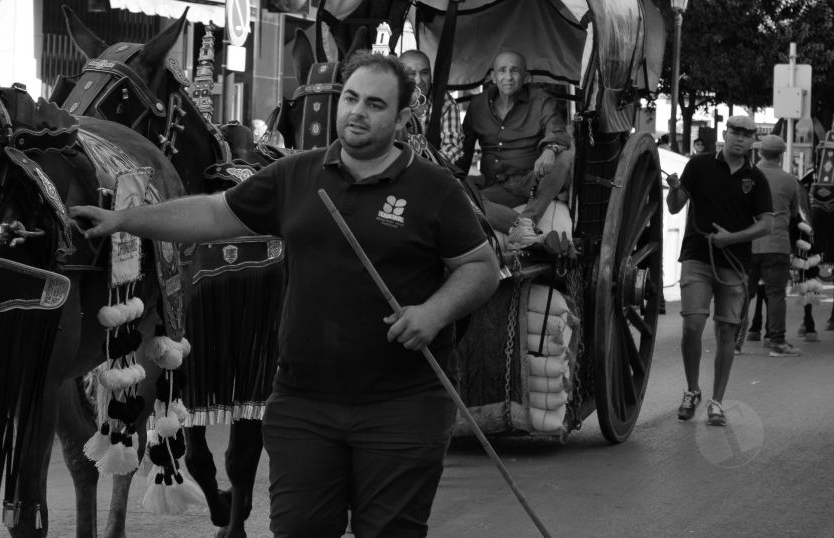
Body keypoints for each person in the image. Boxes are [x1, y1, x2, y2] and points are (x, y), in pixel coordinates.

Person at [71, 52, 499, 538]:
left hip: (403, 406)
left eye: (375, 105)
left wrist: (434, 312)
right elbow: (214, 214)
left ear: (402, 118)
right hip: (304, 402)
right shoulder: (298, 175)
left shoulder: (434, 188)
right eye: (351, 99)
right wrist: (124, 219)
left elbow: (481, 267)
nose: (357, 112)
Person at [666, 115, 771, 427]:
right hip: (697, 256)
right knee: (692, 326)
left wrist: (732, 238)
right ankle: (692, 390)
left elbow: (767, 223)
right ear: (725, 134)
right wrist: (675, 188)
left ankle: (717, 401)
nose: (740, 138)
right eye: (735, 132)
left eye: (746, 134)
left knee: (727, 332)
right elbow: (675, 205)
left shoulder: (757, 178)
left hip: (735, 264)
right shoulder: (698, 165)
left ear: (754, 141)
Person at [458, 50, 573, 249]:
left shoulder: (540, 100)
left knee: (562, 155)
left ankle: (528, 220)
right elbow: (463, 154)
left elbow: (557, 129)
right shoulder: (477, 106)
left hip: (534, 181)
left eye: (515, 71)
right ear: (493, 77)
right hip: (497, 186)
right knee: (461, 195)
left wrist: (550, 149)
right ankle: (523, 229)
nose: (508, 77)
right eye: (502, 71)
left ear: (526, 77)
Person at [736, 134, 805, 356]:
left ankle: (734, 343)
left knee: (744, 294)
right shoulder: (789, 180)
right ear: (781, 154)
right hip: (777, 244)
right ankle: (776, 342)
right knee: (776, 295)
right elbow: (795, 213)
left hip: (748, 243)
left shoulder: (746, 176)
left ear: (760, 152)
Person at [398, 49, 463, 162]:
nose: (418, 80)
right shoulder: (390, 100)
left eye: (424, 73)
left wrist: (426, 169)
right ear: (399, 77)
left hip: (434, 171)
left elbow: (452, 147)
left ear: (431, 75)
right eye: (411, 74)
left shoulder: (445, 103)